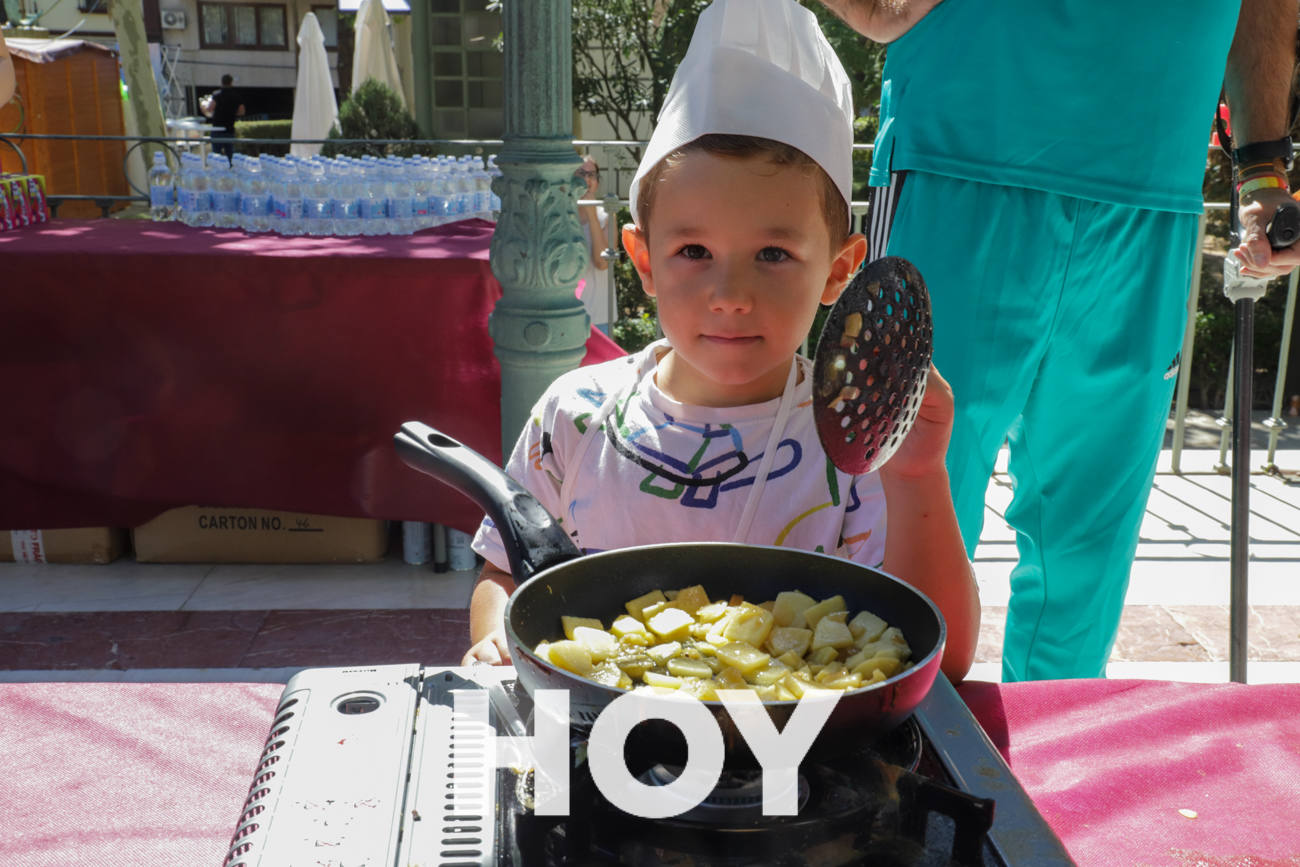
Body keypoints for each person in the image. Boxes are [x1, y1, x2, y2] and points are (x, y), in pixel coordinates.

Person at [464, 0, 980, 684]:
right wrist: (494, 639)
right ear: (644, 262)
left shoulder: (856, 444)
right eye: (694, 250)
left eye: (772, 253)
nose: (731, 293)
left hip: (799, 761)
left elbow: (943, 658)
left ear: (838, 272)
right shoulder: (575, 417)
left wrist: (917, 475)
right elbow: (504, 569)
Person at [819, 0, 1300, 681]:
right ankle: (886, 768)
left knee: (1084, 567)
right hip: (959, 157)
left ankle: (1050, 773)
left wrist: (1262, 169)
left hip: (1151, 190)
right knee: (898, 533)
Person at [576, 155, 613, 334]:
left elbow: (602, 262)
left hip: (600, 318)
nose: (587, 179)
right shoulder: (561, 216)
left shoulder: (606, 215)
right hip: (570, 316)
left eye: (592, 174)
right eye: (581, 173)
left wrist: (592, 215)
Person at [203, 74, 245, 159]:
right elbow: (242, 111)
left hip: (217, 129)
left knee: (216, 156)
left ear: (221, 83)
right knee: (230, 155)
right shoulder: (236, 96)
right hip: (229, 129)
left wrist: (203, 107)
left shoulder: (217, 95)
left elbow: (210, 109)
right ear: (231, 83)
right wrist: (232, 113)